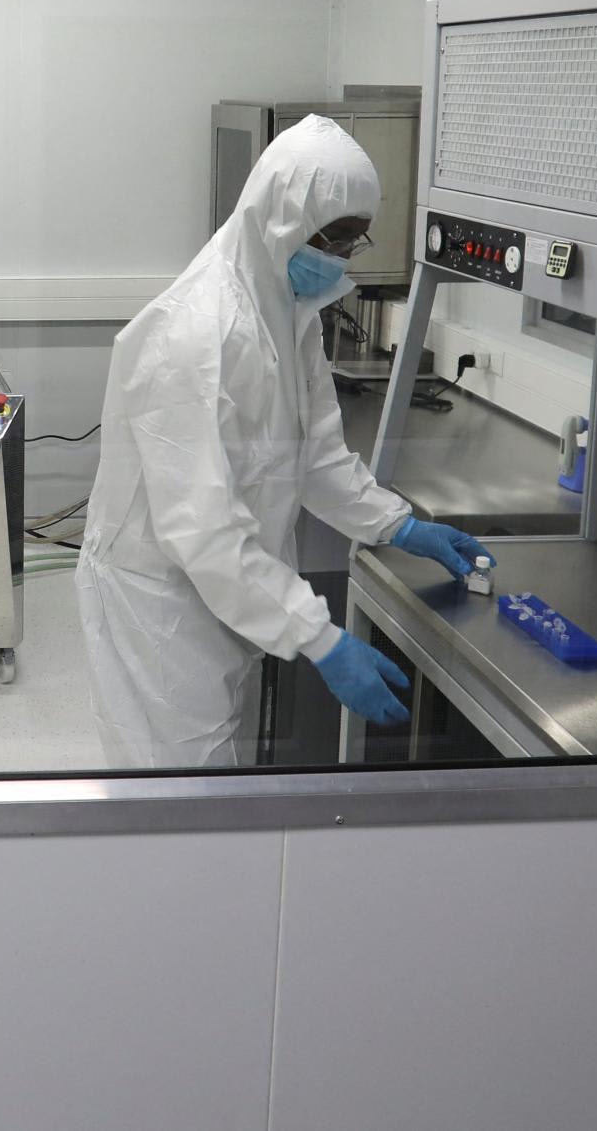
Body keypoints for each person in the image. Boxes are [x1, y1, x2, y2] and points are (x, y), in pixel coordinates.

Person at [76, 114, 489, 767]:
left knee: (214, 774)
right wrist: (319, 637)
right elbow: (203, 530)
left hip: (225, 590)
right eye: (337, 238)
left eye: (357, 239)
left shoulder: (287, 314)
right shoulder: (196, 336)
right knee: (175, 784)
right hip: (164, 602)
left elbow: (314, 454)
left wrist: (399, 525)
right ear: (284, 221)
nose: (345, 258)